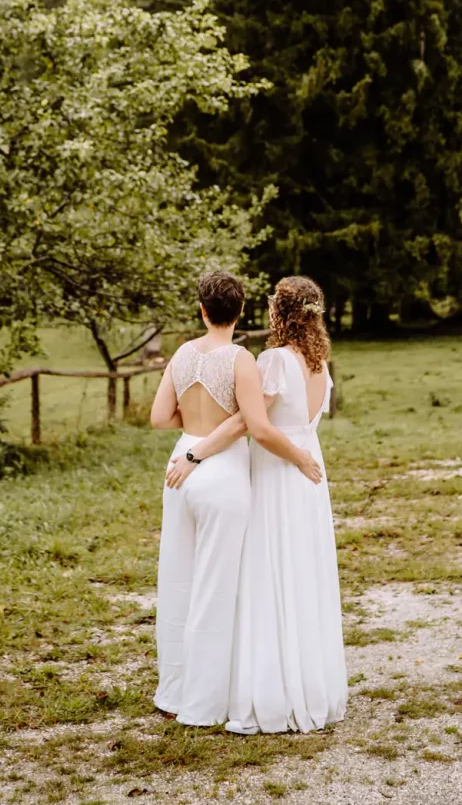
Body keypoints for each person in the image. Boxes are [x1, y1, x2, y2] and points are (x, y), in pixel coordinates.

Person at [169, 274, 346, 734]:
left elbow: (248, 424)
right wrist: (305, 458)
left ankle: (268, 694)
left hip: (277, 472)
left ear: (278, 311)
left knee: (266, 576)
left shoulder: (272, 361)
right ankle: (308, 686)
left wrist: (195, 452)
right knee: (302, 576)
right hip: (308, 475)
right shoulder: (320, 362)